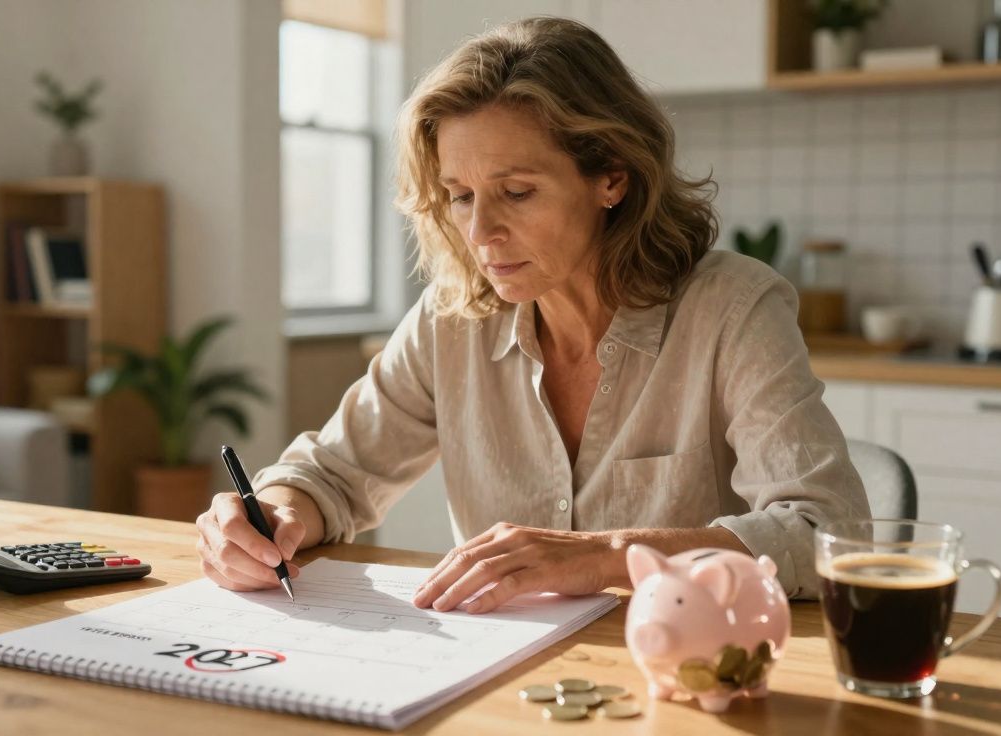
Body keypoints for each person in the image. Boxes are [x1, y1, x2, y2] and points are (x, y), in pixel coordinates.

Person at [195, 16, 869, 613]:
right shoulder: (450, 320)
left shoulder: (732, 308)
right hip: (502, 684)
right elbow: (332, 475)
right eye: (459, 196)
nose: (481, 231)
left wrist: (604, 555)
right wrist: (272, 517)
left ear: (612, 175)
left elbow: (825, 531)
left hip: (689, 674)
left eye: (516, 192)